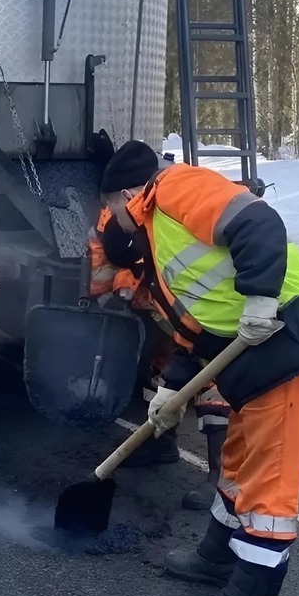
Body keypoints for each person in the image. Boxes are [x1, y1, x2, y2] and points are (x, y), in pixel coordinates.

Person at [99, 140, 299, 596]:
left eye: (107, 210)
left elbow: (259, 223)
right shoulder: (158, 231)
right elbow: (198, 323)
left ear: (125, 193)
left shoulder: (175, 188)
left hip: (285, 341)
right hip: (253, 357)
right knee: (236, 467)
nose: (108, 222)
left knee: (267, 486)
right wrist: (172, 391)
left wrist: (259, 299)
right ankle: (215, 557)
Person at [89, 200, 231, 511]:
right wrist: (107, 295)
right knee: (160, 368)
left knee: (210, 381)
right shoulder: (111, 219)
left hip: (206, 310)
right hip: (155, 302)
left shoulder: (175, 224)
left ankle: (220, 477)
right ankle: (160, 443)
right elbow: (104, 260)